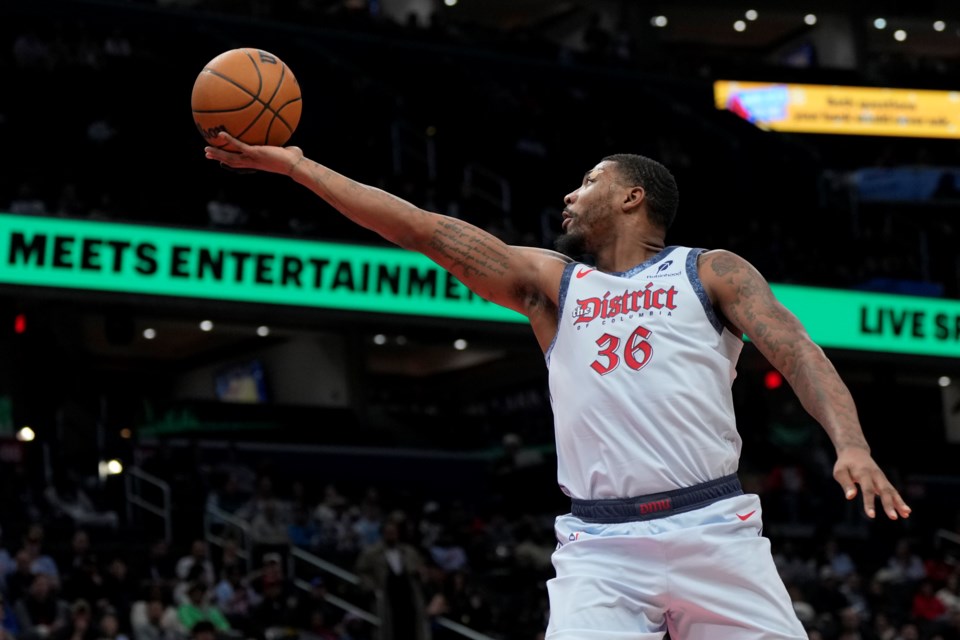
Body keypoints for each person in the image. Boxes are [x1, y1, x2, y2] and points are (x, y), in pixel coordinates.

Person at [205, 133, 912, 638]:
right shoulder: (552, 284)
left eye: (589, 182)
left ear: (633, 197)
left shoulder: (710, 270)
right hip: (600, 548)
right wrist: (300, 168)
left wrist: (850, 445)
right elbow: (425, 230)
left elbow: (797, 350)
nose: (570, 195)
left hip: (713, 531)